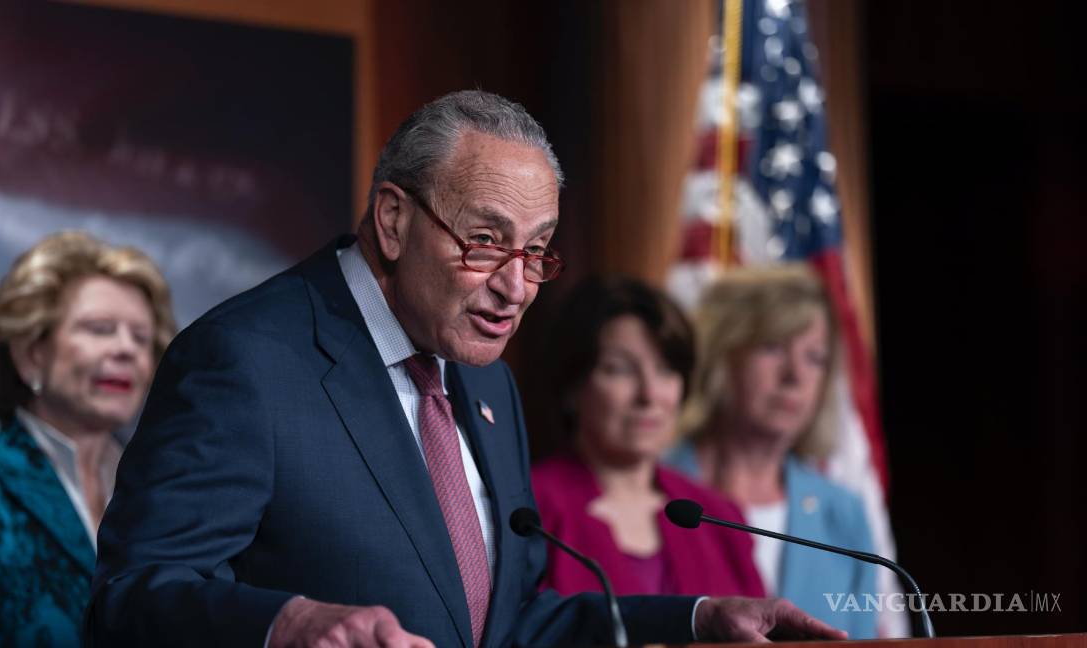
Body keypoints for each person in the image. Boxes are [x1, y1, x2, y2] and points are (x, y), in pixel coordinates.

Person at [87, 90, 848, 648]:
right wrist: (286, 623)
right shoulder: (247, 361)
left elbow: (507, 623)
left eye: (536, 250)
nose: (516, 288)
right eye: (485, 242)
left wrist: (693, 620)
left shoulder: (484, 379)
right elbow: (131, 598)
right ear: (393, 220)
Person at [0, 231, 177, 647]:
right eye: (100, 329)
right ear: (31, 353)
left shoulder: (168, 497)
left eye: (141, 337)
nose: (127, 349)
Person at [665, 264, 880, 638]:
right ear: (723, 354)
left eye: (814, 357)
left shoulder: (843, 513)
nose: (795, 376)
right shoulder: (656, 493)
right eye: (773, 347)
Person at [530, 276, 765, 599]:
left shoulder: (720, 517)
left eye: (666, 370)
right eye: (620, 369)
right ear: (573, 387)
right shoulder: (532, 511)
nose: (650, 395)